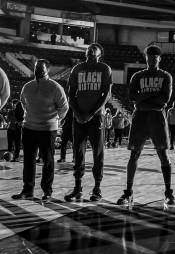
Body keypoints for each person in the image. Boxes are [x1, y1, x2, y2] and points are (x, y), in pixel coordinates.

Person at [117, 45, 175, 206]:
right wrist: (152, 96)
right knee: (134, 154)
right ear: (146, 58)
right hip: (140, 117)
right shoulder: (137, 76)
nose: (151, 60)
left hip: (156, 116)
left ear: (159, 59)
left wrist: (144, 97)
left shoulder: (165, 76)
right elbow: (131, 97)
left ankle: (169, 193)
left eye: (155, 58)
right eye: (149, 57)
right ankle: (128, 192)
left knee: (163, 154)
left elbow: (164, 99)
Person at [12, 59, 68, 201]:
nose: (38, 70)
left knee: (47, 161)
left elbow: (64, 107)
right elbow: (24, 104)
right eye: (36, 67)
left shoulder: (55, 87)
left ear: (47, 70)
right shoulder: (27, 86)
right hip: (29, 127)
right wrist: (31, 117)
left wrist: (55, 120)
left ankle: (47, 191)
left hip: (48, 129)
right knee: (28, 161)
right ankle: (27, 190)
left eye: (41, 68)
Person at [64, 44, 112, 203]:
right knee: (78, 152)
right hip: (78, 117)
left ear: (100, 54)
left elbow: (106, 95)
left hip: (96, 117)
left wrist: (91, 113)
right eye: (88, 50)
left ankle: (97, 188)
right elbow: (70, 94)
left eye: (94, 51)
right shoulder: (77, 69)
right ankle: (78, 188)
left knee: (98, 153)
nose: (90, 51)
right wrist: (77, 113)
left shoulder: (104, 69)